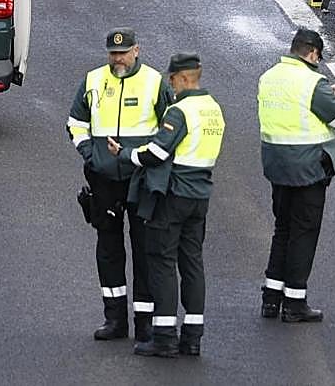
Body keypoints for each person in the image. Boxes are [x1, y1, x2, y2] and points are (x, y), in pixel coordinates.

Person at [109, 52, 225, 358]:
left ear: (185, 77)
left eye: (172, 79)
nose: (170, 85)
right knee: (192, 264)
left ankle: (163, 336)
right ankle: (193, 337)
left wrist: (124, 154)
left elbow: (157, 154)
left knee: (161, 261)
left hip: (174, 195)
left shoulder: (180, 111)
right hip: (200, 195)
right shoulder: (213, 109)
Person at [67, 28, 172, 342]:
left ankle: (145, 322)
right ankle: (114, 319)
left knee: (144, 249)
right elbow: (75, 123)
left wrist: (151, 162)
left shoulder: (155, 82)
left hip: (141, 178)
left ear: (137, 50)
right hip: (104, 180)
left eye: (124, 52)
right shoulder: (93, 81)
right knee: (108, 249)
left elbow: (169, 129)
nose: (118, 59)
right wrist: (92, 155)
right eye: (113, 54)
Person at [257, 28, 335, 323]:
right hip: (308, 168)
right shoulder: (313, 82)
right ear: (313, 53)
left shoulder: (268, 77)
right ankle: (295, 302)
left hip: (276, 164)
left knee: (283, 229)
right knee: (304, 232)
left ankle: (271, 298)